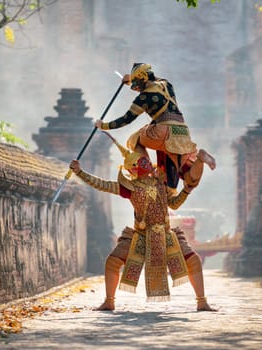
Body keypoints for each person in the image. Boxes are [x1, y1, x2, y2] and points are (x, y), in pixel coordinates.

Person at [69, 133, 216, 312]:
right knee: (113, 262)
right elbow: (102, 184)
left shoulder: (161, 182)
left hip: (165, 233)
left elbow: (175, 204)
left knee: (193, 261)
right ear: (132, 169)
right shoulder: (129, 187)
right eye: (141, 162)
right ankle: (109, 300)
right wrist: (80, 172)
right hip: (140, 235)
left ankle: (202, 301)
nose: (146, 162)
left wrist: (186, 191)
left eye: (145, 160)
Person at [95, 62, 216, 194]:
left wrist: (104, 125)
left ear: (143, 78)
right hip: (182, 131)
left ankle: (148, 173)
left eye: (137, 83)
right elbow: (153, 80)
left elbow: (126, 119)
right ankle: (200, 159)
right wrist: (130, 78)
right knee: (189, 180)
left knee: (134, 140)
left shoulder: (144, 97)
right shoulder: (166, 84)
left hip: (163, 130)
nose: (137, 88)